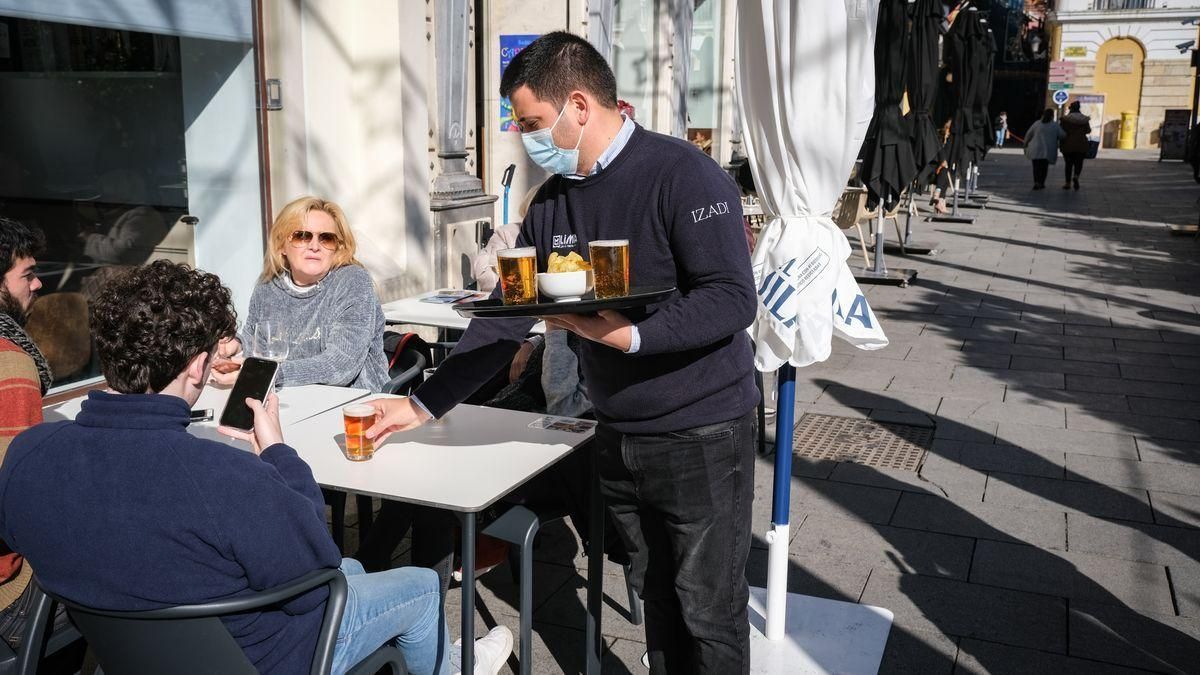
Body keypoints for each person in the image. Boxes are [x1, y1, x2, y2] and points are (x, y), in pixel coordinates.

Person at [365, 32, 759, 674]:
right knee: (656, 595)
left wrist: (629, 337)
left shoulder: (682, 172)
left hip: (703, 434)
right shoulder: (551, 201)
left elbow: (731, 297)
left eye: (531, 122)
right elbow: (506, 321)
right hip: (615, 433)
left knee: (708, 609)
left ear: (579, 104)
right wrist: (422, 403)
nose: (525, 137)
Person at [0, 261, 512, 675]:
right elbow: (316, 561)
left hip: (130, 649)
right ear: (200, 366)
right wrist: (277, 453)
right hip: (265, 655)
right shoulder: (223, 477)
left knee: (359, 570)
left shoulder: (29, 455)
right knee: (420, 585)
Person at [211, 196, 388, 392]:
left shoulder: (352, 281)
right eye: (302, 236)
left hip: (353, 404)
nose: (314, 246)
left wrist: (262, 375)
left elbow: (339, 367)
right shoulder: (268, 286)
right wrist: (235, 346)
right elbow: (258, 340)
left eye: (326, 238)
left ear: (337, 247)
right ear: (281, 246)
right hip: (288, 398)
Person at [0, 217, 72, 649]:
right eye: (27, 274)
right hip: (9, 601)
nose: (38, 284)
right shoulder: (10, 362)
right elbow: (16, 506)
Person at [1023, 108, 1064, 190]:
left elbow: (1028, 134)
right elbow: (1062, 135)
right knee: (1044, 167)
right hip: (1047, 150)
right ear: (1052, 116)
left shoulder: (1037, 123)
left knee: (1036, 167)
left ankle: (1036, 182)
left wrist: (1025, 143)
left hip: (1035, 149)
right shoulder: (1055, 125)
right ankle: (1041, 182)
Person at [1060, 101, 1092, 190]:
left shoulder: (1065, 119)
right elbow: (1088, 131)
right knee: (1079, 163)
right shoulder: (1084, 119)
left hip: (1068, 144)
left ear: (1071, 109)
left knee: (1068, 164)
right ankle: (1076, 176)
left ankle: (1067, 183)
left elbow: (1061, 130)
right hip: (1081, 145)